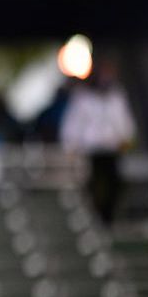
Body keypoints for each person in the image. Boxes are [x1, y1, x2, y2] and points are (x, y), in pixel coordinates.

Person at [60, 61, 135, 225]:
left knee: (114, 184)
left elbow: (124, 121)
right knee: (93, 184)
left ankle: (108, 217)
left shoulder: (116, 97)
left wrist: (126, 138)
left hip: (112, 149)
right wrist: (71, 145)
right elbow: (73, 124)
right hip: (91, 151)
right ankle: (94, 218)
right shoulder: (82, 98)